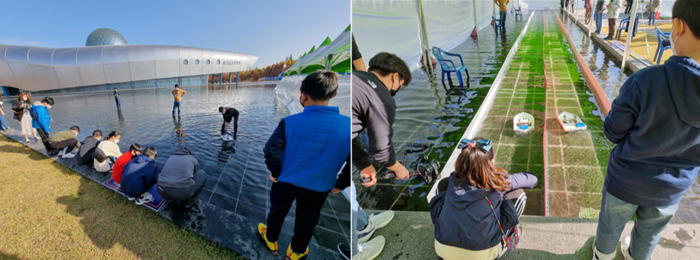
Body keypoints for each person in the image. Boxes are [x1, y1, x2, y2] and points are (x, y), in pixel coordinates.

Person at [593, 0, 700, 259]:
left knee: (610, 225)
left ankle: (603, 256)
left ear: (677, 26)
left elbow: (612, 132)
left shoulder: (646, 80)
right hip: (671, 190)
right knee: (650, 232)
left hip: (625, 180)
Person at [258, 70, 350, 260]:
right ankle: (296, 252)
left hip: (286, 181)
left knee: (277, 212)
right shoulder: (349, 126)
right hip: (320, 186)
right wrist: (341, 183)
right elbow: (353, 160)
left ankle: (271, 239)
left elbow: (270, 151)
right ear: (334, 94)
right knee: (307, 220)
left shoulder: (289, 122)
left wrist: (276, 172)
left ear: (303, 95)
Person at [349, 52, 413, 260]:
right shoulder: (382, 98)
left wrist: (363, 164)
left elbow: (349, 131)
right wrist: (397, 168)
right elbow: (382, 151)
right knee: (343, 191)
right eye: (400, 85)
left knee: (347, 189)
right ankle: (354, 252)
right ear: (395, 76)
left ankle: (363, 225)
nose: (396, 90)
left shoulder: (355, 78)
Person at [429, 138, 537, 260]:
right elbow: (532, 179)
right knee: (519, 193)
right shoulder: (499, 181)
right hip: (482, 255)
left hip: (443, 250)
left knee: (442, 185)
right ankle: (508, 233)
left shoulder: (453, 179)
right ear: (491, 163)